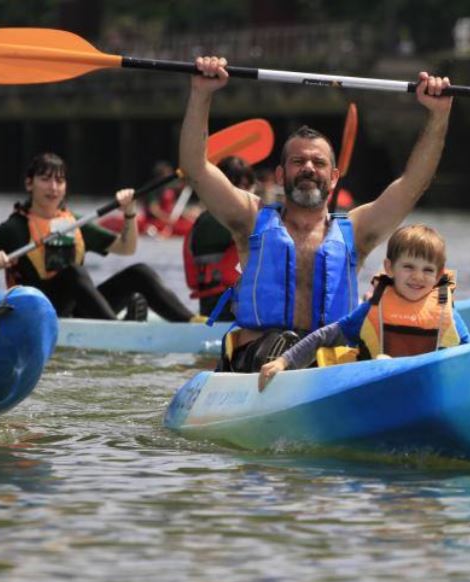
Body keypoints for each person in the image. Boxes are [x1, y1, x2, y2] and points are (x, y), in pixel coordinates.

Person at [179, 54, 453, 372]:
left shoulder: (358, 230)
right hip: (258, 360)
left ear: (334, 177)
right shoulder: (250, 218)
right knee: (280, 344)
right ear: (281, 175)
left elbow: (413, 184)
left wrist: (438, 115)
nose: (309, 168)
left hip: (327, 367)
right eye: (298, 162)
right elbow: (196, 170)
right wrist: (201, 94)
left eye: (319, 163)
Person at [0, 152, 197, 321]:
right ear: (29, 183)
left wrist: (129, 213)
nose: (53, 187)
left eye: (59, 180)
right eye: (45, 179)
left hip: (79, 311)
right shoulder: (14, 228)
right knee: (74, 272)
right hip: (40, 313)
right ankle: (117, 330)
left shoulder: (75, 223)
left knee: (140, 272)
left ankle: (191, 322)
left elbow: (126, 248)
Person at [258, 224, 470, 391]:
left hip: (430, 390)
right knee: (382, 363)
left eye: (428, 270)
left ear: (439, 275)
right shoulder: (372, 310)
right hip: (376, 390)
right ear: (389, 268)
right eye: (408, 266)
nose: (418, 276)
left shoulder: (448, 314)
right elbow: (325, 337)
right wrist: (283, 361)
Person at [182, 156, 254, 319]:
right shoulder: (219, 220)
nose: (244, 192)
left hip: (214, 307)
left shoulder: (210, 218)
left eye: (247, 186)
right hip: (227, 308)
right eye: (236, 186)